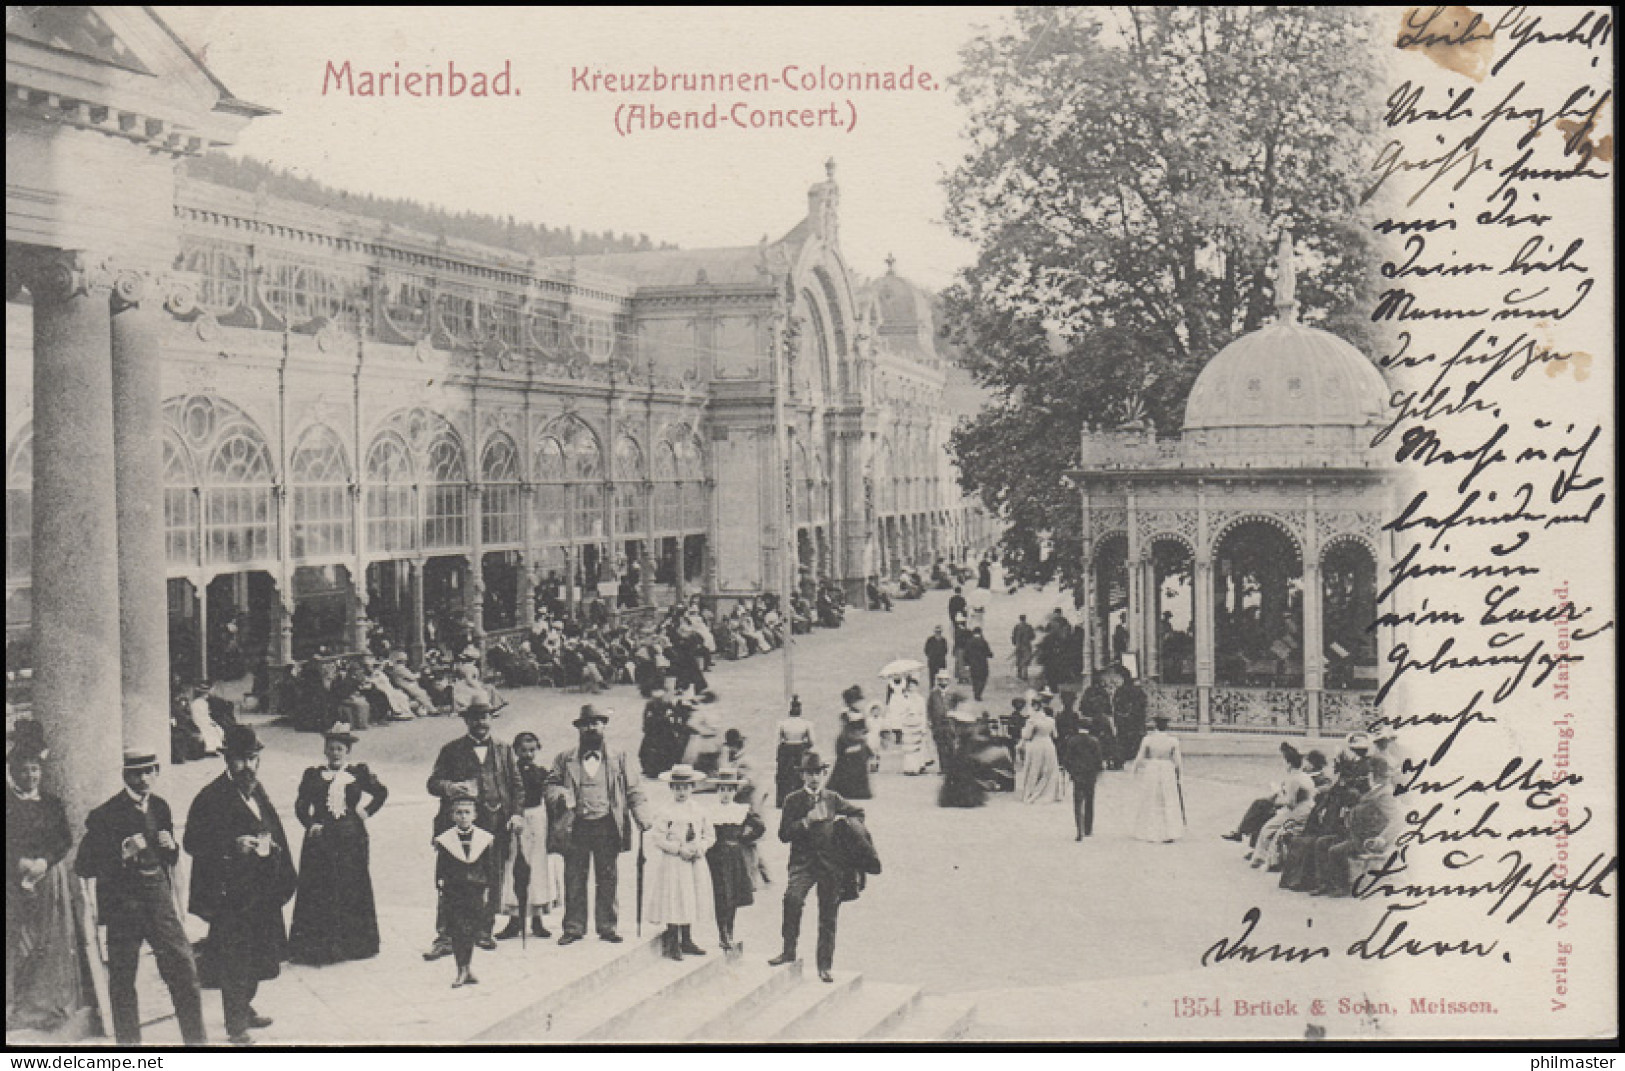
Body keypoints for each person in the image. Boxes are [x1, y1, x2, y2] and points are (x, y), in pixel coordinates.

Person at [75, 747, 206, 1045]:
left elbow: (170, 859)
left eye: (149, 771)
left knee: (184, 972)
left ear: (157, 773)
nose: (144, 778)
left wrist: (171, 847)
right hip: (124, 908)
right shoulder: (104, 815)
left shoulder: (160, 807)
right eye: (137, 773)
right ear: (125, 775)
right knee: (122, 982)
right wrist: (121, 853)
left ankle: (197, 1046)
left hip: (159, 904)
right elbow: (83, 866)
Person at [184, 725, 297, 1047]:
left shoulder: (257, 791)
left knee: (259, 953)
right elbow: (192, 842)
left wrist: (275, 853)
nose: (247, 766)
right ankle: (235, 1025)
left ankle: (244, 1007)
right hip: (229, 895)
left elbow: (272, 828)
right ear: (227, 760)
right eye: (240, 760)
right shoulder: (211, 797)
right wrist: (230, 847)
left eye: (252, 758)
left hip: (260, 893)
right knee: (234, 958)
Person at [423, 703, 523, 960]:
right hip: (458, 823)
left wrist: (515, 813)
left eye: (485, 717)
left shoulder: (504, 749)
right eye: (475, 718)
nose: (480, 722)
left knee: (492, 878)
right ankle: (445, 936)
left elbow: (516, 786)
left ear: (491, 719)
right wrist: (450, 787)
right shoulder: (451, 749)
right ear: (466, 722)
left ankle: (483, 930)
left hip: (494, 823)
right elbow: (432, 783)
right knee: (450, 879)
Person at [548, 706, 651, 945]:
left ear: (604, 726)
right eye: (585, 724)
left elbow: (634, 789)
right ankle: (574, 927)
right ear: (579, 729)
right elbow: (550, 785)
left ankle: (607, 926)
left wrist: (642, 818)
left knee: (607, 877)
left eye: (595, 723)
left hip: (607, 825)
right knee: (574, 876)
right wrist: (561, 795)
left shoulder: (619, 758)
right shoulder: (564, 759)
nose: (590, 728)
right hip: (576, 825)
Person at [287, 723, 388, 965]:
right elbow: (301, 806)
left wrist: (365, 812)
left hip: (351, 839)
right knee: (321, 888)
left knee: (351, 886)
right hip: (321, 841)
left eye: (340, 749)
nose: (335, 753)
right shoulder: (313, 775)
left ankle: (354, 944)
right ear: (325, 750)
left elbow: (381, 793)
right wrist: (310, 824)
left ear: (348, 752)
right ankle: (319, 946)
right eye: (331, 748)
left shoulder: (357, 774)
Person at [7, 722, 80, 1033]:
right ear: (13, 773)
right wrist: (19, 863)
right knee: (17, 941)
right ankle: (14, 1004)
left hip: (49, 880)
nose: (30, 776)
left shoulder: (52, 804)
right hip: (12, 881)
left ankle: (45, 1003)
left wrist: (45, 862)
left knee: (48, 942)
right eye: (23, 771)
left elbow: (64, 840)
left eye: (34, 770)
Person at [768, 753, 864, 983]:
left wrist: (845, 830)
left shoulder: (832, 798)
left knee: (828, 914)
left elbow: (858, 813)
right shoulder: (792, 800)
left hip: (830, 865)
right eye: (809, 773)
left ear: (824, 774)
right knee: (792, 899)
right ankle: (788, 949)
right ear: (802, 775)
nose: (814, 778)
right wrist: (805, 822)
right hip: (802, 864)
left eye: (818, 773)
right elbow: (783, 835)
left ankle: (824, 965)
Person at [645, 764, 715, 960]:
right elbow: (657, 837)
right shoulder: (665, 811)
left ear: (692, 787)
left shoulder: (700, 810)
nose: (681, 791)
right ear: (671, 788)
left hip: (694, 861)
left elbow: (710, 835)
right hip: (674, 862)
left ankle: (687, 938)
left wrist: (699, 847)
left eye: (685, 787)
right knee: (674, 896)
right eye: (677, 787)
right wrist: (677, 849)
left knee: (690, 897)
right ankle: (672, 941)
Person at [497, 732, 559, 940]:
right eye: (523, 750)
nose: (528, 755)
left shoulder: (542, 773)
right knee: (515, 865)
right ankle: (515, 919)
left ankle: (537, 919)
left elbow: (552, 794)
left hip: (538, 819)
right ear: (515, 751)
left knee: (538, 867)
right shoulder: (509, 774)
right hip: (518, 818)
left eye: (532, 750)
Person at [433, 794, 498, 987]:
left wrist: (488, 889)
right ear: (452, 816)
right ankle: (461, 968)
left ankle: (467, 967)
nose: (463, 817)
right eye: (459, 813)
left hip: (475, 890)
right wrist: (441, 887)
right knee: (457, 930)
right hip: (454, 891)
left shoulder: (484, 840)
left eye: (467, 812)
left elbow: (490, 868)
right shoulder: (446, 841)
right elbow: (440, 868)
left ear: (475, 815)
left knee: (471, 929)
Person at [707, 769, 766, 951]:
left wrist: (743, 839)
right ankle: (722, 933)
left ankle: (730, 930)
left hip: (734, 856)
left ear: (735, 792)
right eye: (722, 789)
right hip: (716, 856)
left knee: (732, 895)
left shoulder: (740, 810)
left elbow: (760, 826)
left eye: (729, 790)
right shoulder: (711, 812)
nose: (725, 794)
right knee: (721, 894)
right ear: (717, 791)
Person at [1130, 717, 1185, 843]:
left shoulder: (1148, 739)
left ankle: (1148, 831)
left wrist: (1134, 770)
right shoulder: (1172, 741)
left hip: (1152, 768)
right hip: (1167, 769)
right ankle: (1170, 832)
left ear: (1155, 726)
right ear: (1167, 726)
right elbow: (1178, 761)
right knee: (1167, 798)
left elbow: (1140, 757)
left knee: (1151, 797)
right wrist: (1179, 774)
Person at [1059, 722, 1104, 839]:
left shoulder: (1072, 741)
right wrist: (1097, 772)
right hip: (1090, 774)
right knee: (1090, 801)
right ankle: (1088, 828)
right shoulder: (1094, 741)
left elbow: (1067, 759)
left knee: (1078, 802)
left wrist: (1071, 772)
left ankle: (1079, 829)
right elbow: (1099, 760)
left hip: (1078, 774)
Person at [828, 686, 873, 800]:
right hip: (847, 740)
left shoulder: (862, 715)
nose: (860, 704)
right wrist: (850, 742)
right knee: (845, 765)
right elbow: (844, 730)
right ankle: (845, 790)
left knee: (860, 764)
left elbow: (866, 729)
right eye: (857, 702)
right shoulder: (845, 714)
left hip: (859, 740)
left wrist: (863, 735)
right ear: (851, 703)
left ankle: (859, 791)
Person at [774, 696, 815, 808]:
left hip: (786, 750)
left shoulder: (783, 723)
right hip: (799, 750)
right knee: (799, 776)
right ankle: (799, 801)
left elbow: (778, 740)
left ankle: (783, 800)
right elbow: (812, 741)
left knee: (784, 776)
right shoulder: (806, 724)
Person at [1018, 700, 1062, 804]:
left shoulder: (1032, 721)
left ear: (1034, 707)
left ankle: (1032, 791)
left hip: (1036, 745)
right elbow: (1055, 735)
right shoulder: (1051, 720)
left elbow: (1026, 736)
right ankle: (1050, 792)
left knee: (1035, 768)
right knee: (1048, 768)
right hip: (1048, 744)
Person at [963, 627, 993, 702]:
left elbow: (965, 654)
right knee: (983, 678)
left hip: (973, 664)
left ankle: (976, 691)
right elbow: (988, 653)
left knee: (974, 678)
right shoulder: (983, 642)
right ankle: (978, 693)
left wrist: (966, 663)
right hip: (982, 664)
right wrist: (990, 655)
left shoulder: (969, 642)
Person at [1011, 615, 1036, 682]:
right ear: (1025, 619)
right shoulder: (1029, 626)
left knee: (1019, 660)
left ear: (1020, 619)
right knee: (1026, 660)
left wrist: (1015, 644)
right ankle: (1025, 675)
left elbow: (1013, 636)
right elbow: (1033, 636)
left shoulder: (1017, 627)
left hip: (1018, 646)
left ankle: (1019, 675)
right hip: (1026, 646)